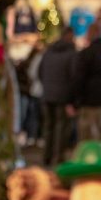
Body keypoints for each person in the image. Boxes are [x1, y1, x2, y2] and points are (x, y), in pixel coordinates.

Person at [38, 27, 77, 166]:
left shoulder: (49, 52)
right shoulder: (72, 53)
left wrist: (47, 87)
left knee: (48, 127)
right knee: (61, 129)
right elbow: (74, 78)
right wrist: (72, 100)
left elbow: (40, 72)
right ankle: (57, 158)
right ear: (70, 36)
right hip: (63, 97)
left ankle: (46, 157)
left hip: (47, 95)